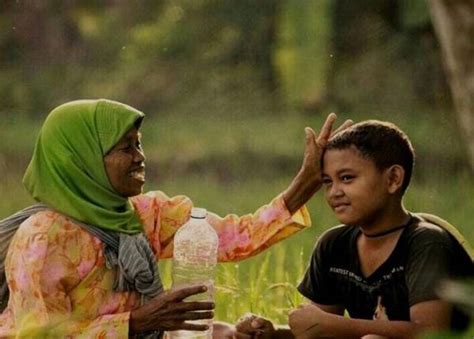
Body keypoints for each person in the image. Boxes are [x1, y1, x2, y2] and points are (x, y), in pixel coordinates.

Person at [0, 99, 349, 337]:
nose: (140, 158)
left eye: (139, 144)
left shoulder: (146, 215)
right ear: (81, 161)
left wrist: (304, 185)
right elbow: (36, 333)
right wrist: (134, 323)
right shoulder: (43, 239)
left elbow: (236, 238)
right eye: (126, 148)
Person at [235, 120, 473, 338]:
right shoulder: (334, 244)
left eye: (347, 178)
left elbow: (431, 334)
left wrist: (333, 325)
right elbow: (318, 331)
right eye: (328, 182)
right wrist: (273, 333)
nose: (334, 192)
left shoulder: (426, 243)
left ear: (393, 179)